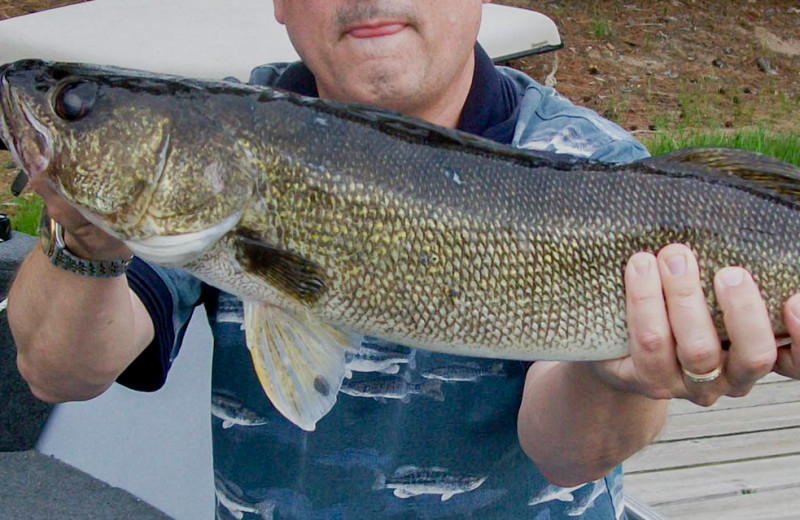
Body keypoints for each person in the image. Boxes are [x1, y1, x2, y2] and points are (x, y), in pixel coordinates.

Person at [9, 0, 800, 518]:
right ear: (281, 4)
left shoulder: (597, 163)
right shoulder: (229, 137)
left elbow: (569, 455)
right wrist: (84, 234)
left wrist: (615, 372)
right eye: (80, 107)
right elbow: (55, 373)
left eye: (73, 106)